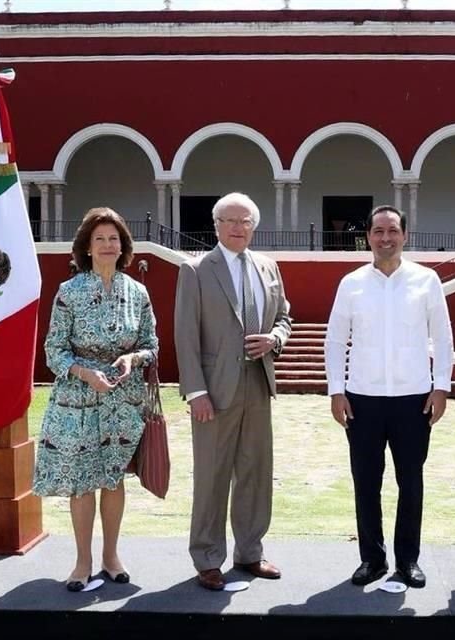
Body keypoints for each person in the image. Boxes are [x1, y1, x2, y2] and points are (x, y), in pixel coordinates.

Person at [324, 205, 453, 589]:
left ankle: (408, 560)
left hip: (413, 398)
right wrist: (336, 390)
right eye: (378, 231)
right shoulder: (351, 283)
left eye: (392, 230)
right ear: (368, 236)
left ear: (405, 235)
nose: (385, 238)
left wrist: (441, 386)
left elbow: (443, 337)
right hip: (362, 398)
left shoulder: (426, 280)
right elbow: (334, 341)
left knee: (410, 481)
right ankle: (372, 559)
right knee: (366, 482)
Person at [32, 207, 160, 592]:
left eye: (114, 239)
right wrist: (87, 373)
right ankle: (82, 562)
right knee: (82, 482)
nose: (108, 245)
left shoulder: (137, 292)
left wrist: (131, 359)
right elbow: (54, 351)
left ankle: (111, 556)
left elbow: (151, 346)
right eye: (100, 239)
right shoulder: (68, 292)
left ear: (123, 247)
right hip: (78, 403)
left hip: (123, 401)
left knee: (114, 478)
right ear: (86, 248)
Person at [174, 192, 292, 591]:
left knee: (256, 473)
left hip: (258, 385)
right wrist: (195, 391)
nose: (238, 228)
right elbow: (185, 337)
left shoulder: (268, 267)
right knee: (212, 474)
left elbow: (285, 317)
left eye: (245, 221)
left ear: (254, 227)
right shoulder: (195, 270)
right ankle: (207, 558)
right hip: (214, 391)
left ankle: (250, 552)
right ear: (216, 225)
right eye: (230, 220)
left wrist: (274, 338)